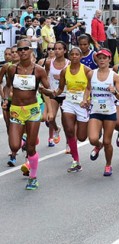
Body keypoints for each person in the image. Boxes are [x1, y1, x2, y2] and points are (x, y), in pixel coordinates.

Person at [3, 39, 52, 190]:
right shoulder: (12, 69)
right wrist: (5, 99)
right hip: (16, 110)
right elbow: (7, 86)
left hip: (32, 110)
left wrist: (49, 100)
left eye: (25, 49)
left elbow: (47, 88)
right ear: (17, 52)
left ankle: (33, 177)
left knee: (31, 148)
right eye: (20, 49)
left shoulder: (39, 70)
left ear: (30, 51)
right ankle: (24, 140)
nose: (23, 51)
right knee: (14, 145)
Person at [40, 47, 91, 172]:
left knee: (82, 137)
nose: (74, 56)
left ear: (80, 57)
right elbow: (60, 90)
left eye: (76, 54)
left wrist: (88, 100)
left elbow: (91, 88)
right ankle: (76, 161)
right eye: (72, 54)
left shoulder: (87, 71)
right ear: (69, 56)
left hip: (82, 104)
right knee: (69, 131)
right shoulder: (65, 71)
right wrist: (48, 91)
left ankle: (92, 128)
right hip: (68, 103)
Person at [82, 49, 119, 176]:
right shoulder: (91, 74)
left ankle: (108, 164)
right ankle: (97, 146)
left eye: (104, 58)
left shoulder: (114, 76)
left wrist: (114, 91)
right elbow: (88, 88)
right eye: (99, 58)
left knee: (107, 141)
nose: (102, 60)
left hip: (109, 112)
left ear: (109, 59)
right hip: (95, 111)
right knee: (93, 138)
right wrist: (85, 99)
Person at [44, 41, 70, 147]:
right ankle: (56, 129)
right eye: (56, 49)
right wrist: (45, 89)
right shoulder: (49, 62)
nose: (57, 51)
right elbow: (45, 77)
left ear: (65, 50)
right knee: (50, 117)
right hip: (53, 94)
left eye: (60, 49)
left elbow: (74, 79)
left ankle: (69, 142)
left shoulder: (69, 63)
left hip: (66, 95)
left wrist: (63, 78)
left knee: (66, 122)